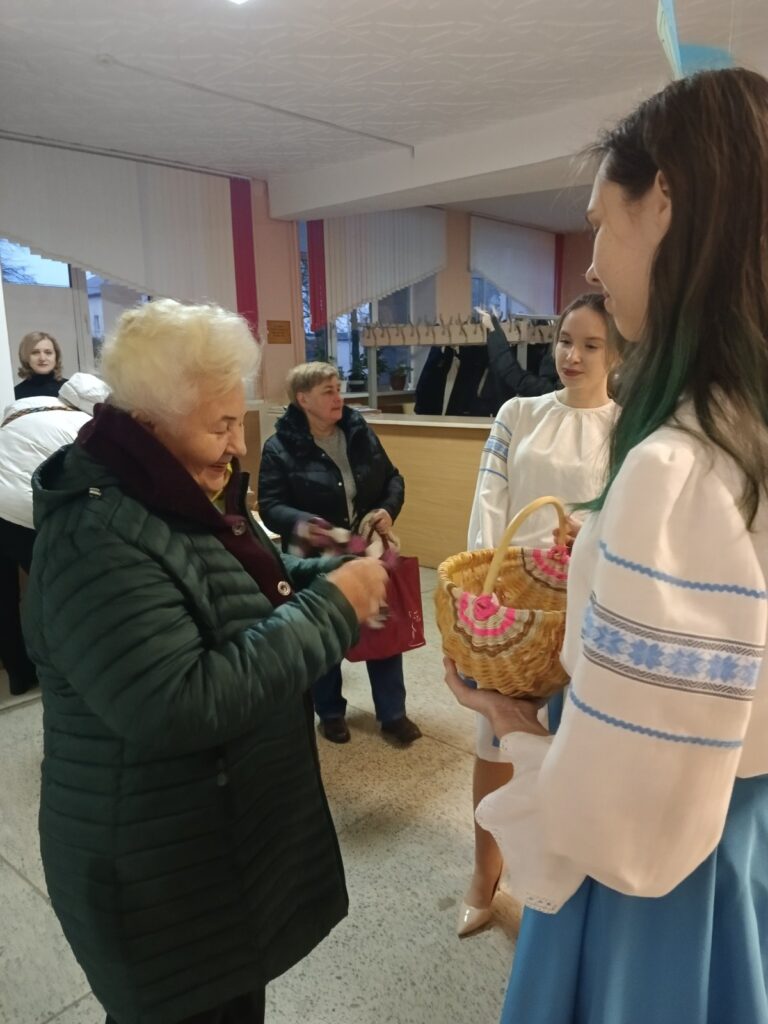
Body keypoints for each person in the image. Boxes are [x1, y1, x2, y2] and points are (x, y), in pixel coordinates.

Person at [446, 68, 768, 1024]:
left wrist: (511, 719)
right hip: (740, 834)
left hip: (662, 883)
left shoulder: (678, 468)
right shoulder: (738, 433)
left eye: (599, 222)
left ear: (663, 200)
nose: (590, 262)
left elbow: (617, 821)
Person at [22, 300, 389, 1024]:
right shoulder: (97, 535)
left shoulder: (167, 489)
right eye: (220, 426)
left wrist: (319, 574)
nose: (237, 446)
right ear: (150, 422)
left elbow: (227, 586)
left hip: (207, 850)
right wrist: (331, 609)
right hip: (156, 878)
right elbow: (179, 700)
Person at [457, 293, 617, 936]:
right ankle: (483, 871)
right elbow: (488, 501)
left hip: (586, 608)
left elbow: (625, 520)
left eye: (590, 344)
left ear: (616, 354)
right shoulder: (518, 413)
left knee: (572, 749)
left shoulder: (629, 428)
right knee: (496, 742)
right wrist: (483, 592)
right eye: (565, 341)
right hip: (512, 609)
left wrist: (592, 533)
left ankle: (559, 880)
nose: (571, 356)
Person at [258, 361, 422, 745]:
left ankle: (393, 714)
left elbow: (392, 478)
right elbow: (270, 505)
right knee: (326, 632)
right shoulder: (280, 447)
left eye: (339, 388)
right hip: (316, 557)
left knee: (382, 627)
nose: (339, 398)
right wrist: (307, 523)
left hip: (366, 550)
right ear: (303, 399)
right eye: (328, 391)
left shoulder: (359, 433)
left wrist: (387, 509)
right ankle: (330, 712)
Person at [0, 372, 108, 695]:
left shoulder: (22, 408)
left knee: (5, 598)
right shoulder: (82, 425)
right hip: (23, 512)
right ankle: (67, 674)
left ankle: (18, 676)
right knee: (56, 594)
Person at [14, 331, 68, 399]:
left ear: (56, 356)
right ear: (25, 357)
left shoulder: (72, 390)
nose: (42, 358)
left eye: (48, 352)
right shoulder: (15, 394)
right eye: (35, 352)